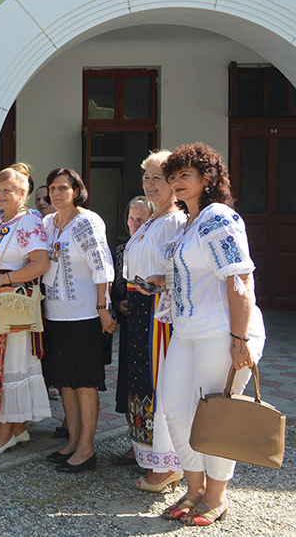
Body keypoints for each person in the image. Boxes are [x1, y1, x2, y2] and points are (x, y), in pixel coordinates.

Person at [154, 143, 264, 526]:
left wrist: (240, 338)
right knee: (175, 410)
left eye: (185, 174)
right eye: (173, 176)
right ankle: (194, 486)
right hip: (187, 331)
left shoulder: (218, 217)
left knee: (216, 414)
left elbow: (240, 278)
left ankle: (216, 495)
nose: (176, 182)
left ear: (207, 178)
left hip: (221, 331)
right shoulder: (190, 222)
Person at [0, 163, 52, 454]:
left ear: (22, 193)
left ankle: (5, 430)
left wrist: (4, 278)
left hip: (10, 299)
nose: (1, 194)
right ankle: (18, 428)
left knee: (9, 363)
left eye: (8, 190)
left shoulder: (27, 222)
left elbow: (40, 264)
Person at [41, 168, 116, 473]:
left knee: (84, 383)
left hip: (85, 314)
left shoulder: (87, 220)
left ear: (76, 190)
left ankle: (87, 449)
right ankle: (72, 442)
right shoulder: (48, 223)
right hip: (55, 314)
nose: (57, 194)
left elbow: (102, 265)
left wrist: (103, 306)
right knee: (65, 382)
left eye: (63, 188)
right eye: (52, 189)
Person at [121, 156, 186, 493]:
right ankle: (147, 453)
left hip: (161, 312)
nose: (150, 183)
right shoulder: (151, 220)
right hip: (141, 308)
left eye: (157, 177)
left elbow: (179, 269)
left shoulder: (176, 222)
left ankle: (166, 463)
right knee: (142, 379)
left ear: (173, 181)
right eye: (146, 177)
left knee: (160, 381)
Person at [109, 196, 154, 452]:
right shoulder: (121, 250)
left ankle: (155, 446)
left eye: (141, 219)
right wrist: (119, 305)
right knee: (128, 384)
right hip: (129, 327)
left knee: (150, 384)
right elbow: (115, 290)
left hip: (153, 328)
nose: (134, 224)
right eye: (131, 218)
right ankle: (136, 443)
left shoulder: (156, 247)